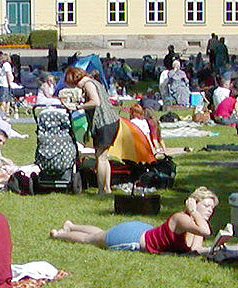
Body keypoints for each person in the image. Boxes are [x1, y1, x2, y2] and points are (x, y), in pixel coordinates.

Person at [49, 187, 218, 253]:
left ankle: (72, 226)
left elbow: (195, 249)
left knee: (102, 233)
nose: (210, 210)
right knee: (91, 239)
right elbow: (206, 231)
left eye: (212, 207)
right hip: (133, 238)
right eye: (207, 205)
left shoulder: (195, 224)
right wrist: (194, 211)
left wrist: (217, 248)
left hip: (142, 230)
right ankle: (59, 235)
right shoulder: (182, 218)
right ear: (194, 203)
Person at [65, 65, 121, 193]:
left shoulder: (88, 84)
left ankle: (101, 189)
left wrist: (79, 107)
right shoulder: (94, 82)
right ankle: (107, 188)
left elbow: (96, 102)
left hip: (103, 123)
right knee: (104, 157)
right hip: (111, 121)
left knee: (100, 157)